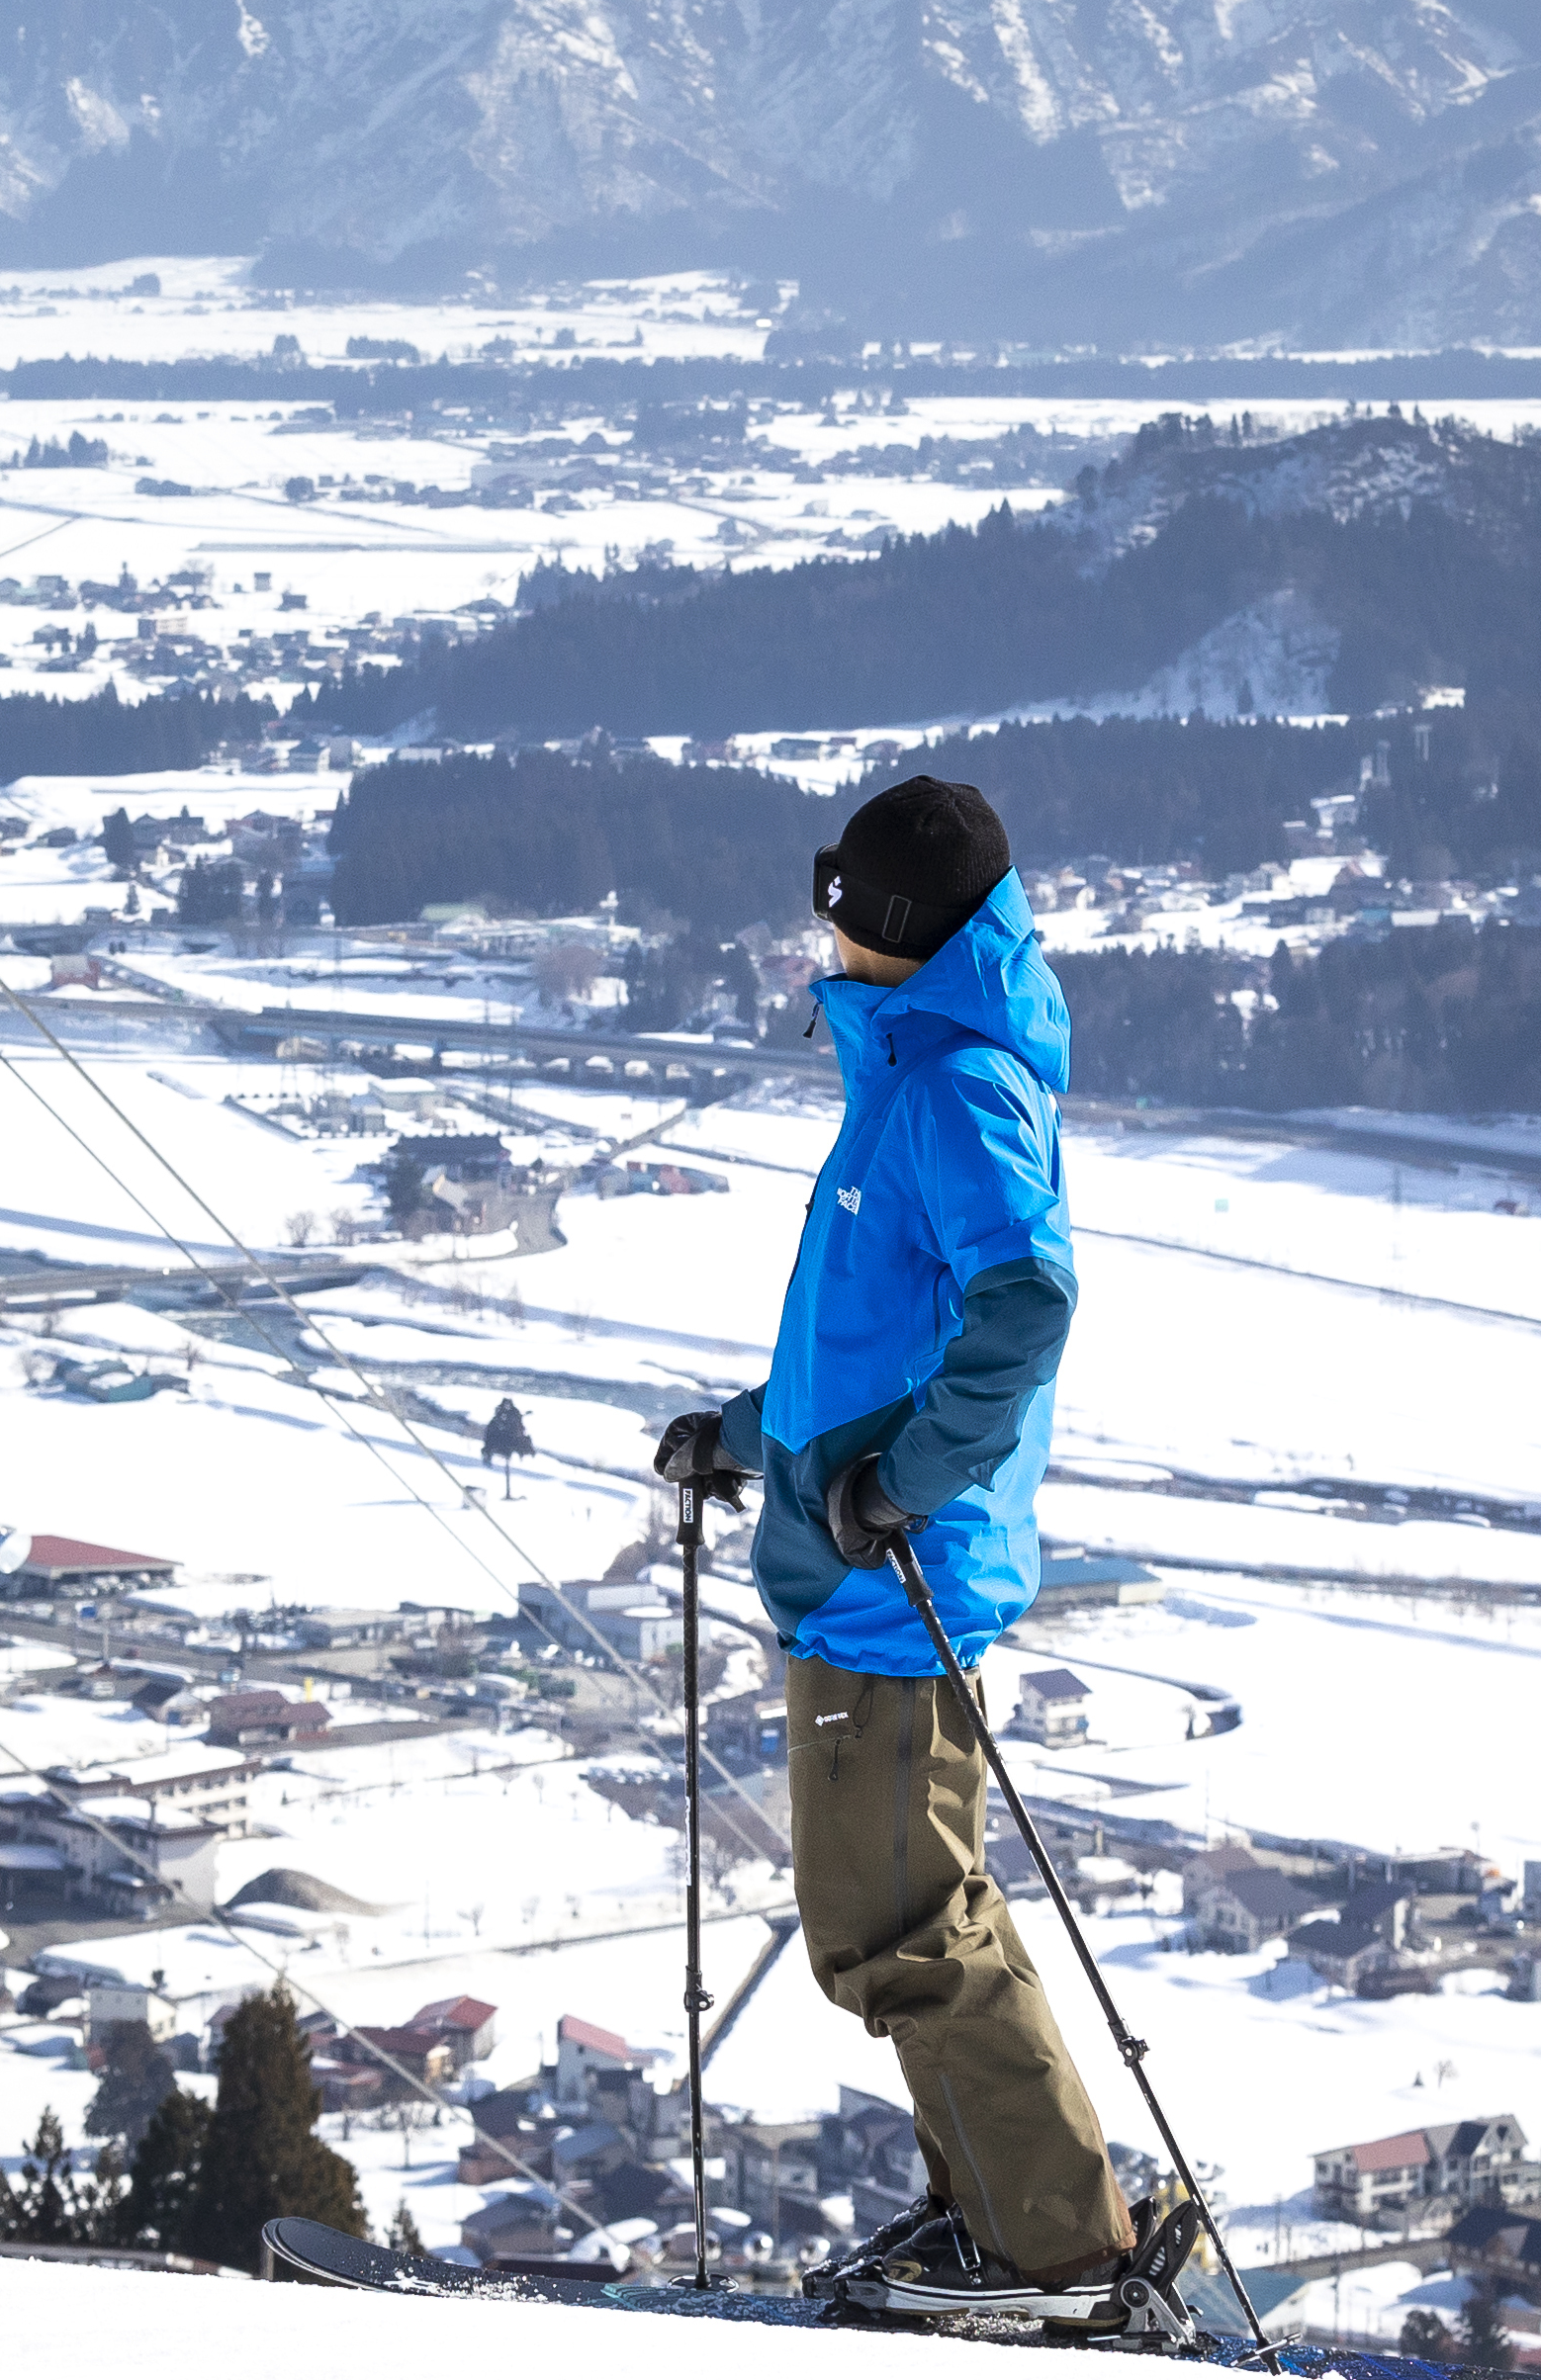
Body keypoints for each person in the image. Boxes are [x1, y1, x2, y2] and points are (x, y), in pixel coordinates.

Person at [651, 773, 1178, 2332]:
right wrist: (749, 1438)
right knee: (897, 1918)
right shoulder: (909, 1072)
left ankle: (1056, 2253)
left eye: (838, 908)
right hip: (858, 1567)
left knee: (899, 1929)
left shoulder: (953, 1090)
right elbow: (871, 1341)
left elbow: (1026, 1304)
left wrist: (907, 1484)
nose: (818, 933)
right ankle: (1000, 2219)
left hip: (892, 1592)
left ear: (885, 926)